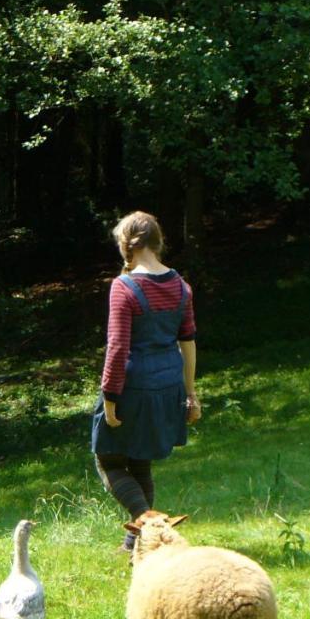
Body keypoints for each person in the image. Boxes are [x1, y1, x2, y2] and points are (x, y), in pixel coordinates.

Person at [91, 211, 200, 551]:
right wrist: (191, 394)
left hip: (133, 386)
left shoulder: (124, 288)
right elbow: (189, 341)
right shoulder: (180, 286)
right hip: (169, 383)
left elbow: (118, 347)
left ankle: (152, 523)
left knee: (106, 459)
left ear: (127, 245)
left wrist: (110, 399)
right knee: (140, 459)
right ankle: (133, 543)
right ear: (158, 242)